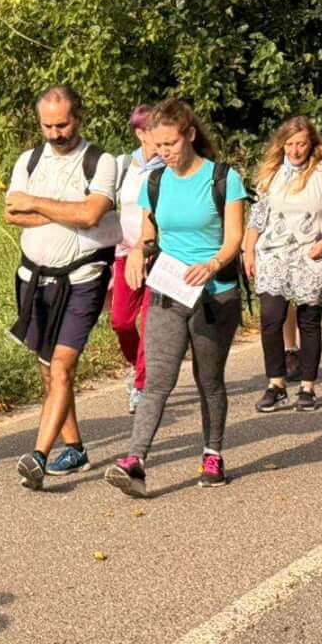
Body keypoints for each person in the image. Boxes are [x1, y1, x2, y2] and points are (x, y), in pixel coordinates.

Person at [104, 98, 247, 497]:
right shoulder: (154, 182)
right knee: (157, 380)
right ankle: (135, 462)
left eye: (171, 143)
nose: (164, 152)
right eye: (158, 145)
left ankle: (212, 454)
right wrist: (139, 251)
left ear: (190, 135)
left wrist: (213, 265)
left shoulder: (223, 179)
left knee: (209, 380)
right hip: (168, 290)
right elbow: (150, 234)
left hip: (215, 294)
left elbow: (234, 238)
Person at [4, 85, 121, 490]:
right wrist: (66, 210)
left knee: (62, 366)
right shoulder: (29, 160)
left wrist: (37, 203)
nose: (55, 134)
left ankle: (38, 455)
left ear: (79, 118)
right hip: (34, 279)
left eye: (63, 124)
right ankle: (75, 447)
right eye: (48, 126)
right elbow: (12, 212)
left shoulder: (101, 162)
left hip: (83, 279)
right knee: (47, 366)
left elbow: (91, 215)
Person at [243, 116, 322, 413]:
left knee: (308, 320)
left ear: (311, 144)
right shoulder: (272, 173)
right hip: (274, 253)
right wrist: (248, 250)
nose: (295, 150)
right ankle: (276, 384)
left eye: (301, 144)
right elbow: (257, 217)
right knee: (271, 318)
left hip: (312, 251)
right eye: (289, 144)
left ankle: (307, 386)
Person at [109, 105, 162, 414]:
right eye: (154, 129)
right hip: (124, 253)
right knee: (121, 322)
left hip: (159, 254)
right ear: (140, 133)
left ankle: (142, 385)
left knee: (151, 321)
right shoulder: (121, 165)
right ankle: (137, 366)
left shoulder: (169, 167)